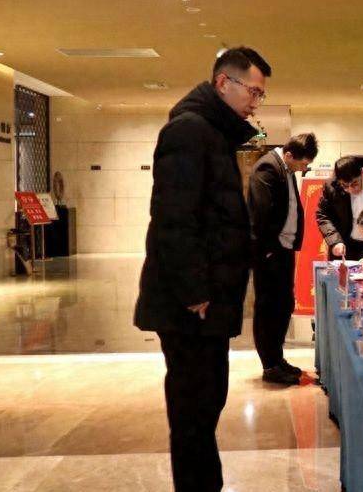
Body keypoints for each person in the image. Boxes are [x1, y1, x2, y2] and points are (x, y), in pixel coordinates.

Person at [134, 46, 271, 492]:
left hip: (205, 304)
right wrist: (195, 293)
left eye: (261, 95)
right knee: (193, 412)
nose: (256, 102)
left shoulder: (210, 132)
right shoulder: (189, 131)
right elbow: (174, 219)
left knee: (205, 407)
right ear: (223, 83)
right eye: (253, 91)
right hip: (190, 308)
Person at [248, 132, 318, 385]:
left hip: (283, 249)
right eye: (303, 163)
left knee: (283, 305)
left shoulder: (285, 169)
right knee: (269, 308)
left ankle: (277, 358)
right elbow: (260, 213)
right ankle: (270, 365)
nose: (304, 168)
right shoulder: (267, 168)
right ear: (289, 155)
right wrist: (268, 249)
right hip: (271, 251)